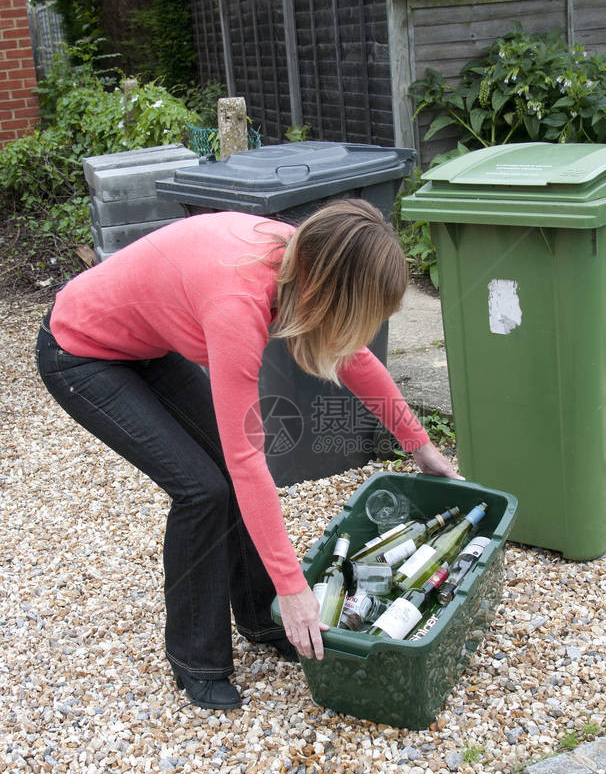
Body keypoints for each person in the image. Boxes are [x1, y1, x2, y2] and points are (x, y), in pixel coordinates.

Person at [35, 199, 462, 711]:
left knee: (226, 482)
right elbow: (246, 460)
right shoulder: (238, 305)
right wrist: (295, 587)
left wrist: (420, 446)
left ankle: (262, 619)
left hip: (146, 347)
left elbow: (353, 358)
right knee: (203, 488)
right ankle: (198, 660)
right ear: (334, 290)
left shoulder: (307, 257)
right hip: (80, 351)